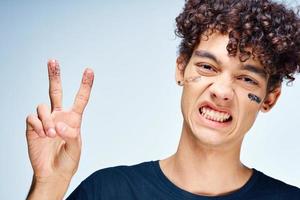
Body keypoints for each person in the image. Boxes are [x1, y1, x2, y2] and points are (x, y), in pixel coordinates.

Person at [26, 0, 300, 199]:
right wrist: (50, 184)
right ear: (181, 69)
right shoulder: (108, 191)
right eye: (207, 67)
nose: (222, 91)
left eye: (247, 79)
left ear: (269, 99)